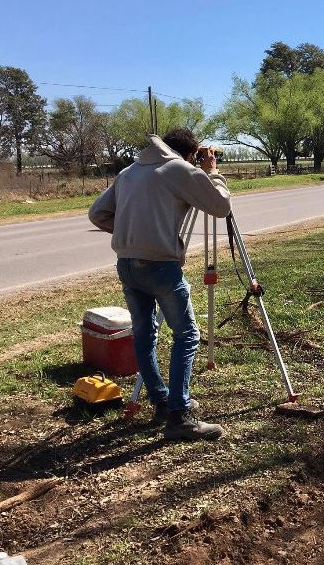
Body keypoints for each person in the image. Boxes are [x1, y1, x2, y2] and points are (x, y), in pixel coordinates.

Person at [89, 129, 232, 441]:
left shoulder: (129, 172)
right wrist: (213, 174)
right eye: (196, 157)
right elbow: (220, 206)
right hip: (160, 266)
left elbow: (97, 213)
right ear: (190, 154)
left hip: (127, 263)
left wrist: (133, 230)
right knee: (188, 334)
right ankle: (179, 415)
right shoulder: (179, 169)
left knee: (144, 333)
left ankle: (161, 400)